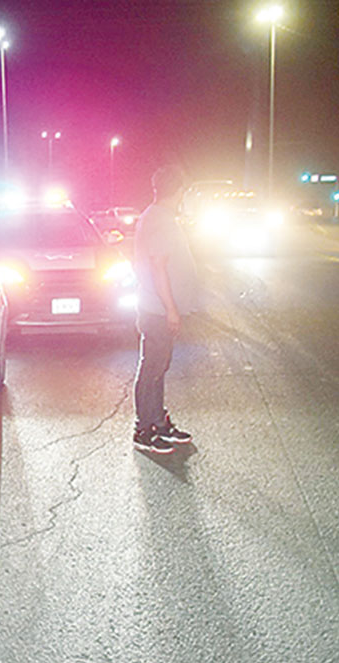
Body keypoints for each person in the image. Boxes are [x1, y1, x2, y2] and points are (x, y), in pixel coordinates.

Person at [132, 165, 200, 454]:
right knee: (152, 368)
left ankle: (158, 422)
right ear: (180, 191)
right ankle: (143, 429)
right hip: (158, 310)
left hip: (157, 308)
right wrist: (171, 309)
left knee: (158, 368)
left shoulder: (158, 217)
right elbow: (158, 267)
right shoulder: (160, 220)